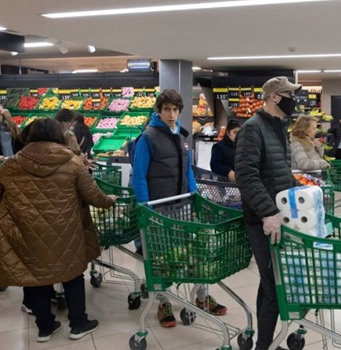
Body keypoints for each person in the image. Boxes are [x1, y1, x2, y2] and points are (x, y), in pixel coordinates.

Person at [0, 119, 116, 342]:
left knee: (36, 277)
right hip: (66, 232)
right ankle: (78, 324)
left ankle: (45, 327)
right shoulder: (72, 163)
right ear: (59, 136)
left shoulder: (11, 165)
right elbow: (94, 196)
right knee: (72, 276)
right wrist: (110, 200)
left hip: (26, 233)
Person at [132, 89, 226, 328]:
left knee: (192, 253)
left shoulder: (182, 138)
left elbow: (188, 171)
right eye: (167, 110)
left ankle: (202, 296)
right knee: (161, 257)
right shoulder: (148, 138)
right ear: (159, 111)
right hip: (158, 208)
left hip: (182, 206)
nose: (171, 114)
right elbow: (139, 175)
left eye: (175, 110)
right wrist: (145, 208)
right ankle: (163, 301)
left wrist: (194, 196)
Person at [235, 76, 301, 350]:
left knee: (270, 283)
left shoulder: (278, 128)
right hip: (263, 221)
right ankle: (264, 345)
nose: (294, 99)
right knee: (275, 286)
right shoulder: (253, 128)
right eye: (289, 94)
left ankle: (264, 342)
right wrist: (268, 212)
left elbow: (279, 173)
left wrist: (301, 192)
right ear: (274, 96)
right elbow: (247, 176)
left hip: (279, 215)